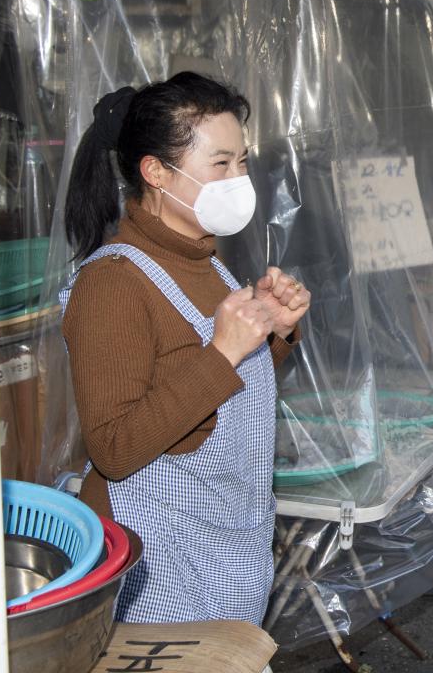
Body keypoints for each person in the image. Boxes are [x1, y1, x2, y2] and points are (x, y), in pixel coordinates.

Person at [61, 72, 310, 625]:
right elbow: (115, 448)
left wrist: (275, 334)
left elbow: (219, 408)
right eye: (219, 164)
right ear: (155, 172)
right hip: (156, 561)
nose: (238, 179)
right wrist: (222, 351)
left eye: (242, 162)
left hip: (223, 542)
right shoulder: (113, 283)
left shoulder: (208, 262)